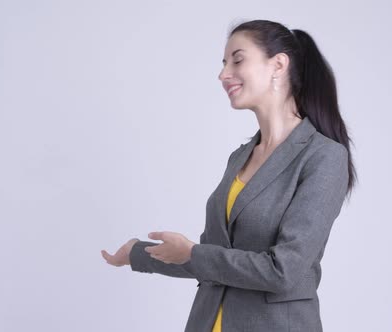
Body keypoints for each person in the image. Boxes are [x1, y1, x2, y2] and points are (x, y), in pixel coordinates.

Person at [101, 19, 357, 332]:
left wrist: (193, 253)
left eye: (237, 59)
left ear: (278, 65)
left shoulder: (324, 156)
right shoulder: (240, 156)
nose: (223, 74)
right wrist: (137, 254)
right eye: (223, 63)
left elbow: (284, 271)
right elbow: (212, 259)